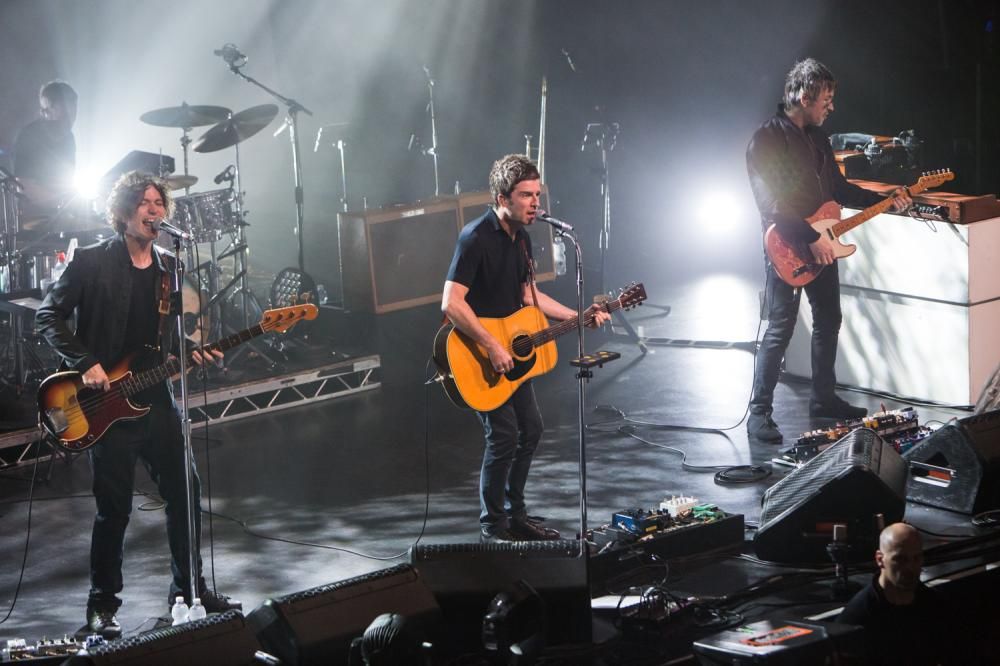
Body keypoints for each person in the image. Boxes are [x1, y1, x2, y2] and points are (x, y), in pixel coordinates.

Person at [35, 171, 239, 639]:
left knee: (186, 493)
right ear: (123, 211)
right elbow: (48, 315)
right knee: (115, 510)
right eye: (144, 202)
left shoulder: (169, 268)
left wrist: (192, 352)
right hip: (103, 405)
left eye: (159, 203)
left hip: (155, 398)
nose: (154, 210)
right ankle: (101, 607)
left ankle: (189, 591)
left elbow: (166, 341)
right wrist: (86, 363)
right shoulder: (90, 261)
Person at [441, 154, 610, 542]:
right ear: (503, 198)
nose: (536, 203)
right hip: (479, 354)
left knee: (530, 430)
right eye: (526, 195)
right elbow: (451, 302)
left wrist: (578, 315)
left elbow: (527, 296)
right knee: (503, 437)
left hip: (511, 352)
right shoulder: (475, 238)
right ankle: (493, 525)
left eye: (537, 194)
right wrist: (490, 345)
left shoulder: (522, 239)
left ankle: (516, 515)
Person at [745, 58, 911, 444]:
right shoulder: (766, 139)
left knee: (829, 319)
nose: (831, 107)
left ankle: (823, 399)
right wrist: (809, 237)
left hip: (822, 241)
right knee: (780, 328)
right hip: (787, 245)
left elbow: (838, 188)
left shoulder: (819, 137)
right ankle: (759, 412)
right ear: (805, 97)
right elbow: (772, 204)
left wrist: (887, 198)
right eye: (826, 100)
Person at [838, 523, 956, 665]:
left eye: (916, 558)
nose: (910, 568)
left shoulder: (935, 606)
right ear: (880, 559)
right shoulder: (857, 619)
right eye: (900, 559)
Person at [14, 80, 78, 221]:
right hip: (36, 220)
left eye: (75, 107)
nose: (73, 115)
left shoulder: (69, 138)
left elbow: (68, 179)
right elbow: (24, 184)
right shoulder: (29, 135)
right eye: (68, 108)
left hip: (63, 217)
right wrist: (60, 203)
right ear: (50, 107)